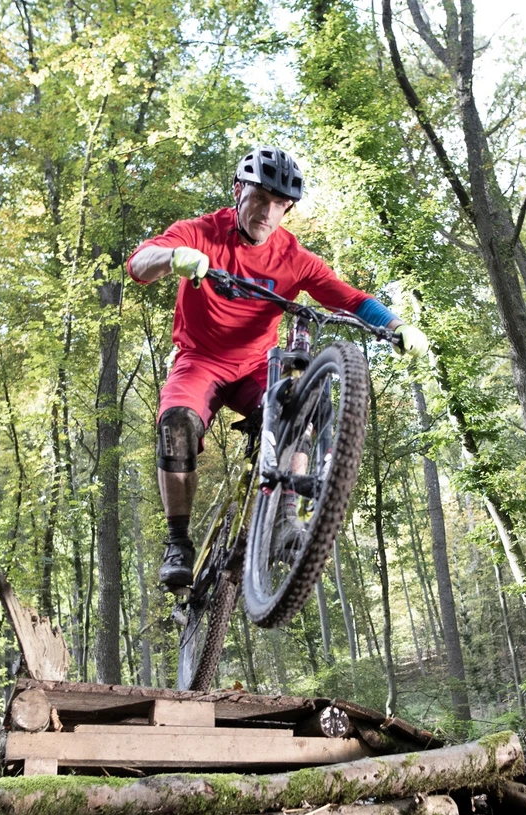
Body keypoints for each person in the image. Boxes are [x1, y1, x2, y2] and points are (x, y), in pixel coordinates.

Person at [127, 145, 428, 590]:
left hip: (255, 370)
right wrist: (174, 258)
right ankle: (178, 542)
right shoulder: (202, 231)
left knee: (302, 408)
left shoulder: (292, 258)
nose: (268, 213)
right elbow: (139, 263)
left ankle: (287, 516)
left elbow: (349, 298)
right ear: (238, 191)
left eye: (280, 205)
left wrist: (396, 326)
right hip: (199, 362)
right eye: (260, 199)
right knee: (176, 425)